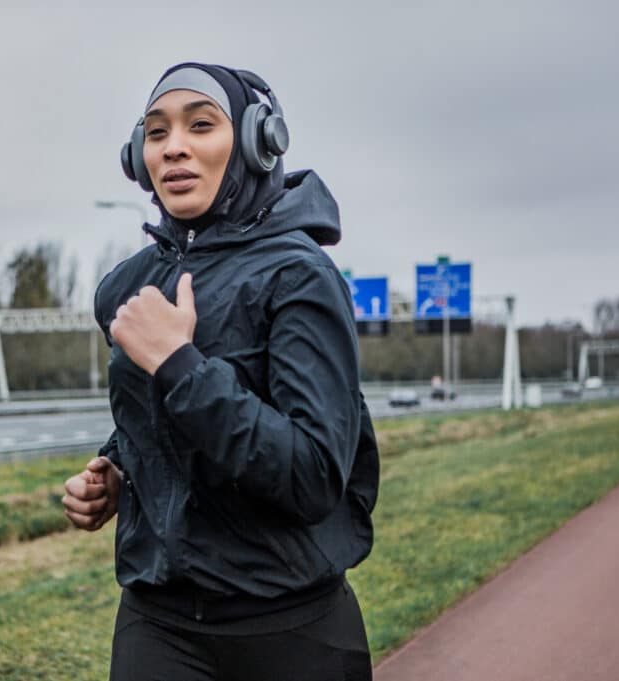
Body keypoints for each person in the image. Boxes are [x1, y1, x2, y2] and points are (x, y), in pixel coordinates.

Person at [61, 62, 380, 681]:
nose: (174, 146)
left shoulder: (300, 275)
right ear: (137, 156)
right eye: (156, 133)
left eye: (201, 125)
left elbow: (313, 475)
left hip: (291, 627)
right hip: (158, 622)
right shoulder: (127, 287)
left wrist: (180, 364)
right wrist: (117, 470)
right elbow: (153, 420)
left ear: (260, 143)